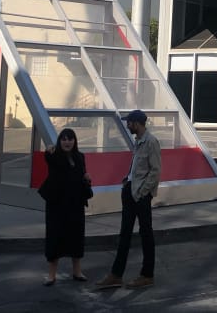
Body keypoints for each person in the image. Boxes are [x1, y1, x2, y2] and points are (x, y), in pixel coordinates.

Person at [96, 109, 161, 290]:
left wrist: (142, 192)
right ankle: (116, 275)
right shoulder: (138, 141)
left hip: (140, 195)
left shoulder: (151, 142)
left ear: (137, 123)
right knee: (124, 234)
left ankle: (147, 275)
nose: (127, 125)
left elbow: (155, 171)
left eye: (129, 122)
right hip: (130, 192)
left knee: (146, 234)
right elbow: (137, 168)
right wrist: (127, 182)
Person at [40, 128, 91, 286]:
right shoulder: (54, 155)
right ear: (59, 141)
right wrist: (49, 150)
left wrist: (86, 178)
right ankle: (51, 275)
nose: (67, 142)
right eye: (64, 139)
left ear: (75, 141)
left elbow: (82, 174)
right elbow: (48, 157)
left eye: (70, 139)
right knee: (55, 237)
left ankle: (77, 271)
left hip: (75, 203)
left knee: (76, 237)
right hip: (57, 204)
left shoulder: (80, 157)